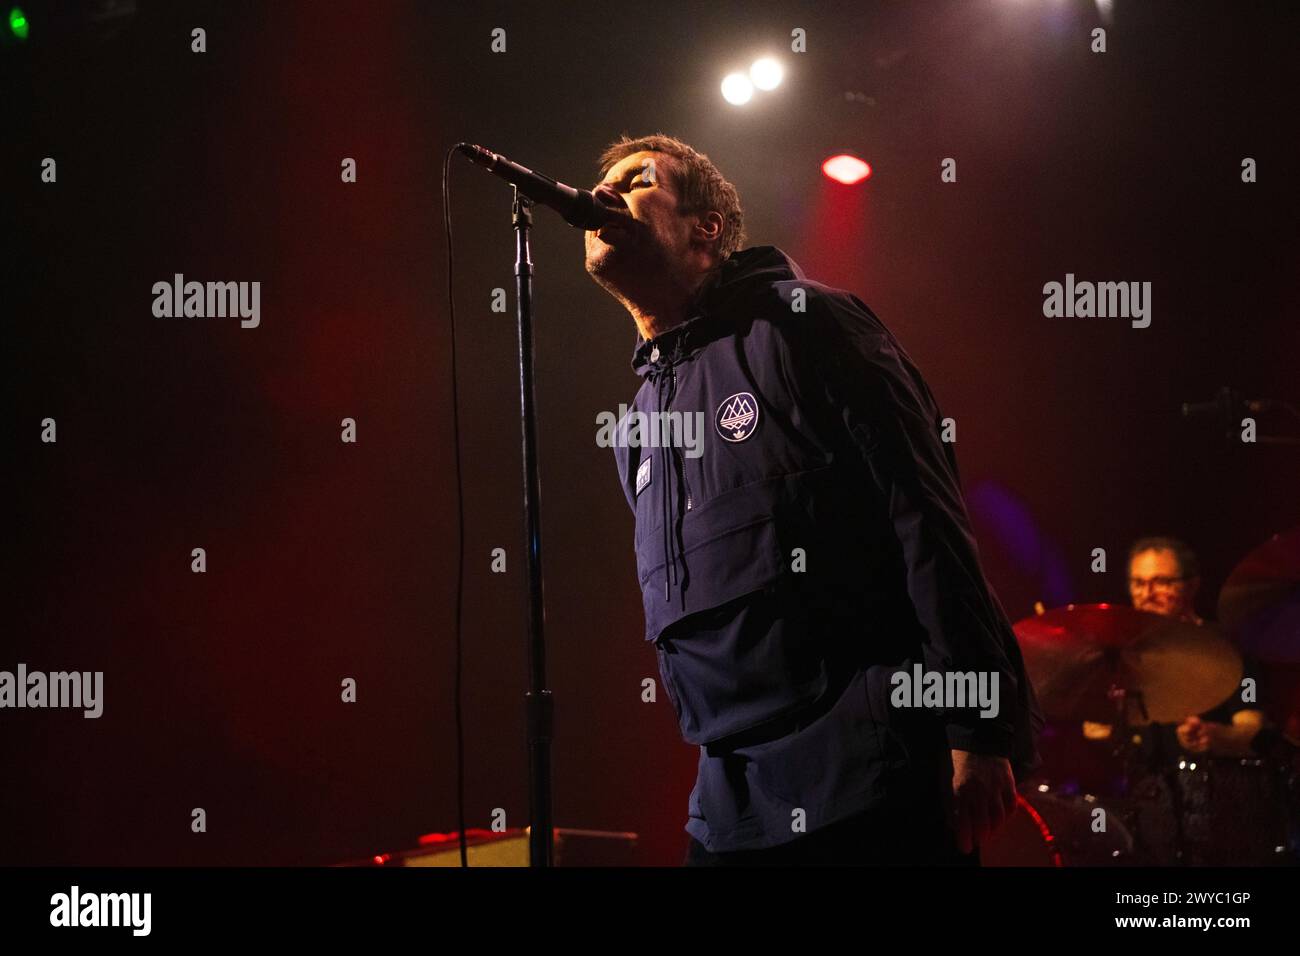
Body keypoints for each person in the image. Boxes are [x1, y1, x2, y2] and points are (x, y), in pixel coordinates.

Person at [585, 133, 1042, 865]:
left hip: (867, 772)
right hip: (728, 808)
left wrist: (981, 727)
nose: (606, 194)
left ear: (707, 226)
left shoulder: (805, 325)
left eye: (637, 179)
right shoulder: (637, 425)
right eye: (602, 183)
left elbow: (926, 519)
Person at [1082, 537, 1265, 756]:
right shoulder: (1126, 654)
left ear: (1191, 585)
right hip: (1145, 785)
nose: (1147, 594)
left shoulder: (1226, 645)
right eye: (1138, 583)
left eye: (1161, 582)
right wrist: (1106, 729)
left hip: (1212, 781)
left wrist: (1215, 736)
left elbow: (1252, 727)